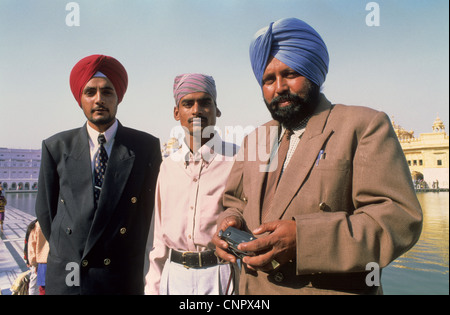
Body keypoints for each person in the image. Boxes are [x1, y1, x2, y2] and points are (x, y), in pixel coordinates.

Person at [213, 17, 423, 295]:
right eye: (268, 80)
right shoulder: (255, 139)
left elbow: (397, 220)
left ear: (313, 72)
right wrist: (229, 222)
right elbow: (234, 203)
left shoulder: (362, 126)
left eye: (290, 74)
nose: (279, 88)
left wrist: (304, 238)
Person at [35, 54, 162, 295]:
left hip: (121, 275)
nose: (98, 100)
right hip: (69, 277)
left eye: (107, 92)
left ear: (118, 97)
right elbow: (46, 211)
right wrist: (70, 249)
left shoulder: (144, 147)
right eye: (90, 92)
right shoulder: (57, 147)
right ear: (79, 99)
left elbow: (149, 215)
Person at [145, 73, 239, 295]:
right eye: (188, 103)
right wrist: (153, 288)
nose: (197, 110)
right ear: (177, 113)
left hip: (221, 274)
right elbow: (159, 242)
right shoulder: (168, 167)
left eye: (205, 102)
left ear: (217, 110)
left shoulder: (238, 161)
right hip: (174, 276)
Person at [27, 221, 49, 295]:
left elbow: (31, 247)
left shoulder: (37, 224)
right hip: (61, 261)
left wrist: (34, 264)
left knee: (43, 290)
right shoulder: (61, 219)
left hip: (43, 264)